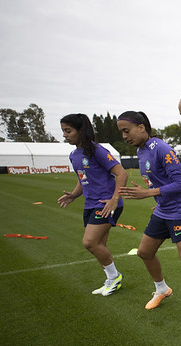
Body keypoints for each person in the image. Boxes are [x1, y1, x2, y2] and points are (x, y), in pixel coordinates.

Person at [116, 111, 181, 312]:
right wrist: (158, 198)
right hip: (163, 210)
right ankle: (162, 289)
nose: (125, 137)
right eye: (121, 133)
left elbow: (180, 184)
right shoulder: (141, 151)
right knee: (145, 252)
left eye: (126, 131)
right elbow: (162, 182)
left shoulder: (161, 148)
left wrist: (148, 193)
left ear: (142, 127)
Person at [57, 113, 128, 295]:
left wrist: (114, 200)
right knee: (99, 246)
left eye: (68, 130)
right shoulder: (74, 155)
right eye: (63, 131)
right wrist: (73, 195)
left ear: (81, 130)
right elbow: (83, 179)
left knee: (89, 242)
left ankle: (115, 277)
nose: (65, 135)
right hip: (90, 204)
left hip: (105, 203)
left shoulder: (97, 151)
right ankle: (110, 279)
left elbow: (122, 174)